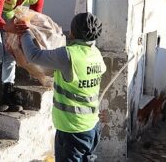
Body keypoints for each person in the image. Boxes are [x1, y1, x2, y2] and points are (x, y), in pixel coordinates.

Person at [20, 12, 106, 161]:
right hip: (92, 126)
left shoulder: (68, 55)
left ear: (72, 32)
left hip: (72, 129)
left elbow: (33, 56)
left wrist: (25, 30)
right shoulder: (96, 54)